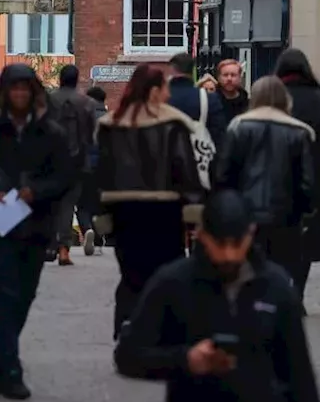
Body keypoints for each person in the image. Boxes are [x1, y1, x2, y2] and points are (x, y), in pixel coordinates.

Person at [114, 189, 320, 402]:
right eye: (219, 243)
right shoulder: (173, 284)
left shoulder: (275, 288)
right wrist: (185, 360)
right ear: (202, 234)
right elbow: (128, 355)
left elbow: (299, 376)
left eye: (236, 243)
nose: (228, 254)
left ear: (250, 234)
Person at [0, 63, 74, 400]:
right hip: (0, 225)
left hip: (36, 226)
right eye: (15, 88)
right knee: (5, 295)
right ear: (5, 93)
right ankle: (11, 369)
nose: (20, 94)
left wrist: (35, 192)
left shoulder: (51, 133)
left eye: (26, 88)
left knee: (23, 296)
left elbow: (65, 177)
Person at [95, 64, 204, 341]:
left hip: (122, 208)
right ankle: (162, 329)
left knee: (131, 272)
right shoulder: (172, 124)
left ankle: (127, 326)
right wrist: (194, 210)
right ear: (155, 91)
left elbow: (100, 170)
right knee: (167, 271)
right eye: (165, 87)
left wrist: (101, 209)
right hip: (163, 208)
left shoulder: (111, 124)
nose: (168, 94)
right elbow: (184, 169)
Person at [215, 77, 316, 306]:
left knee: (247, 267)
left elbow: (224, 174)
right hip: (286, 215)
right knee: (280, 268)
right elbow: (307, 181)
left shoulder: (239, 127)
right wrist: (305, 211)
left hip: (245, 213)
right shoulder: (299, 132)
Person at [276, 48, 320, 292]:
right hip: (312, 173)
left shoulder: (275, 95)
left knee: (279, 238)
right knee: (307, 237)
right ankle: (298, 292)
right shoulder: (318, 96)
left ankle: (281, 289)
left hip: (278, 174)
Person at [48, 64, 101, 266]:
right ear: (77, 79)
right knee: (69, 204)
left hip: (52, 160)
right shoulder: (86, 103)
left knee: (52, 203)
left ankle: (51, 244)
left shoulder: (50, 100)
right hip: (78, 161)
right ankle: (63, 249)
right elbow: (91, 135)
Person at [167, 52, 227, 148]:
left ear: (171, 70)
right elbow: (219, 135)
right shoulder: (208, 99)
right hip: (198, 156)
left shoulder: (161, 98)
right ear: (192, 70)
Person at [76, 85, 108, 254]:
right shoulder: (110, 119)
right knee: (99, 204)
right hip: (103, 169)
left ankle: (87, 228)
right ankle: (98, 236)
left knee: (82, 204)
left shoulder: (82, 118)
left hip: (84, 166)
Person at [216, 58, 251, 125]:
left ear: (240, 78)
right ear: (219, 78)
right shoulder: (211, 102)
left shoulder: (247, 104)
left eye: (233, 75)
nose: (229, 79)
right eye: (225, 75)